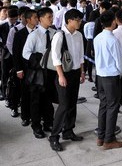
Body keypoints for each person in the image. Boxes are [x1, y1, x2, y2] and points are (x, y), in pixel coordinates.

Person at [48, 9, 85, 151]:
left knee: (72, 104)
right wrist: (61, 76)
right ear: (69, 20)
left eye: (80, 20)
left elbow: (81, 56)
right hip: (63, 74)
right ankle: (54, 136)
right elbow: (55, 58)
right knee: (63, 105)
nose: (80, 22)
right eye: (78, 20)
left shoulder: (79, 35)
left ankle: (68, 131)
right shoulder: (59, 35)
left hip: (75, 73)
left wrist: (82, 72)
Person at [93, 11, 122, 149]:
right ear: (113, 21)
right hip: (111, 76)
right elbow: (119, 61)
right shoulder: (113, 40)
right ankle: (109, 139)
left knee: (103, 105)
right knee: (113, 107)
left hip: (100, 75)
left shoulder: (98, 38)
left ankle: (101, 136)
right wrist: (120, 72)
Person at [22, 8, 56, 139]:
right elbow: (25, 53)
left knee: (48, 99)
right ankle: (36, 126)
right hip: (38, 74)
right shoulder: (34, 35)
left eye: (52, 17)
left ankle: (48, 122)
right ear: (40, 19)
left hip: (51, 72)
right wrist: (39, 59)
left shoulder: (55, 33)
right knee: (36, 101)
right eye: (49, 17)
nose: (51, 19)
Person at [13, 9, 38, 126]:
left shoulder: (40, 32)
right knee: (25, 93)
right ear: (28, 20)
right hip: (24, 69)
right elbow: (16, 53)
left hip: (37, 69)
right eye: (35, 18)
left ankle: (36, 116)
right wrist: (19, 69)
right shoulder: (19, 34)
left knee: (36, 94)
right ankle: (25, 116)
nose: (37, 19)